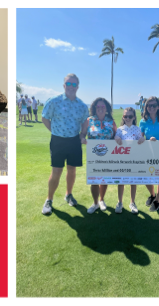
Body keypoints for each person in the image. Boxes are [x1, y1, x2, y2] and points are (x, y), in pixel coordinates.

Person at [40, 74, 89, 215]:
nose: (71, 87)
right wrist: (54, 131)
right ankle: (49, 199)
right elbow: (45, 118)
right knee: (56, 171)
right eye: (68, 83)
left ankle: (68, 194)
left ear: (77, 87)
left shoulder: (82, 105)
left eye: (74, 84)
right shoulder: (54, 101)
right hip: (58, 141)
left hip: (74, 141)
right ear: (64, 85)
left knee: (72, 170)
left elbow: (84, 122)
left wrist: (82, 135)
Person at [84, 98, 117, 214]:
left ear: (106, 108)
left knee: (104, 179)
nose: (100, 109)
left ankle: (102, 200)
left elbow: (116, 134)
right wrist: (82, 138)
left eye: (103, 106)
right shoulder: (89, 120)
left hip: (108, 155)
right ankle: (95, 203)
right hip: (93, 156)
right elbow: (82, 134)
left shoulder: (111, 121)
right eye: (98, 106)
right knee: (94, 180)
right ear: (94, 108)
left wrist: (117, 138)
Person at [138, 97, 159, 211]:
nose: (151, 107)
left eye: (154, 105)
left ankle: (157, 200)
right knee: (145, 176)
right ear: (146, 107)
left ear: (158, 107)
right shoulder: (143, 121)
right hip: (148, 151)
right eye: (149, 105)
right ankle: (152, 195)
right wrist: (145, 140)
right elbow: (140, 137)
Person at [114, 107, 144, 213]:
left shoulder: (137, 129)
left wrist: (142, 139)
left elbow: (140, 140)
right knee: (121, 181)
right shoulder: (119, 129)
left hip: (134, 160)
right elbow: (116, 139)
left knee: (133, 181)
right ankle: (119, 202)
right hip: (122, 160)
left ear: (134, 117)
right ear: (123, 117)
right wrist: (116, 138)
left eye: (130, 116)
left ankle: (132, 202)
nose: (127, 118)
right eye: (125, 116)